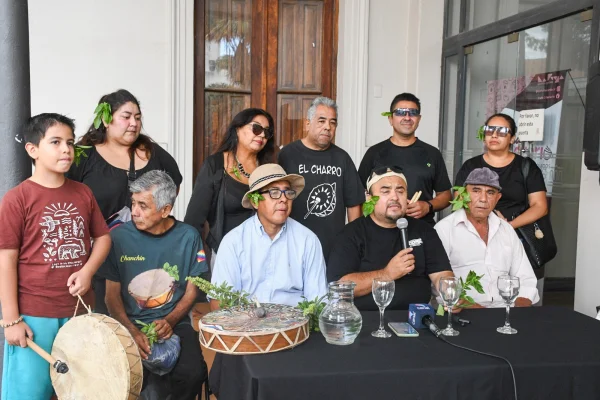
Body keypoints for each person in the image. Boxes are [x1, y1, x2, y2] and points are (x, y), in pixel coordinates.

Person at [0, 113, 111, 400]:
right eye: (56, 142)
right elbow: (6, 261)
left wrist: (87, 272)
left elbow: (103, 238)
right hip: (34, 315)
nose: (66, 149)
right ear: (32, 149)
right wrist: (11, 320)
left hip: (79, 312)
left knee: (80, 389)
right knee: (29, 392)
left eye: (70, 143)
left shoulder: (83, 193)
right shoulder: (17, 199)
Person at [68, 89, 182, 314]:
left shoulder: (152, 152)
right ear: (106, 119)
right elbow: (66, 195)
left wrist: (157, 215)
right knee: (104, 321)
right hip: (99, 256)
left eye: (137, 118)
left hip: (146, 253)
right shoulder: (83, 154)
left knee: (145, 311)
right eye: (126, 116)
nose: (133, 123)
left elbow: (174, 182)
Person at [99, 170, 208, 399]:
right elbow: (111, 296)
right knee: (139, 385)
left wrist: (169, 321)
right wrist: (131, 330)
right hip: (128, 323)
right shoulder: (118, 238)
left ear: (165, 210)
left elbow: (191, 292)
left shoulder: (188, 237)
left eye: (143, 206)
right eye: (133, 203)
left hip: (174, 322)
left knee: (194, 374)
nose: (135, 212)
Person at [327, 166, 454, 311]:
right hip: (367, 321)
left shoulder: (424, 231)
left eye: (400, 191)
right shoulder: (351, 233)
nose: (394, 197)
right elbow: (339, 287)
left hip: (417, 319)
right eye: (385, 191)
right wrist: (387, 274)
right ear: (369, 197)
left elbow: (441, 274)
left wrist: (449, 292)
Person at [454, 113, 548, 303]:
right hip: (477, 233)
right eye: (490, 130)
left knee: (518, 289)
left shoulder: (526, 167)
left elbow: (540, 206)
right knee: (478, 285)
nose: (494, 135)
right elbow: (459, 201)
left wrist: (507, 226)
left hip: (517, 234)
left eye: (502, 131)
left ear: (512, 138)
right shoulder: (470, 166)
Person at [210, 164, 327, 309]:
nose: (283, 199)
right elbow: (219, 302)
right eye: (274, 192)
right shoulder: (233, 242)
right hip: (246, 326)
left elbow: (318, 301)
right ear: (255, 201)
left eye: (287, 193)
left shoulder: (308, 240)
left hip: (295, 326)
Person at [184, 108, 276, 268]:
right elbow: (193, 220)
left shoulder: (268, 169)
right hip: (225, 257)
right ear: (237, 129)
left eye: (267, 132)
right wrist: (198, 262)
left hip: (264, 257)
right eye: (256, 128)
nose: (262, 135)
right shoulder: (216, 165)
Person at [435, 167, 540, 307]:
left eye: (490, 192)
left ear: (498, 198)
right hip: (464, 314)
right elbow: (440, 286)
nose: (483, 199)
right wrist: (473, 309)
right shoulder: (444, 230)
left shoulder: (506, 229)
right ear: (462, 194)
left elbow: (526, 279)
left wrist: (516, 313)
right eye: (476, 190)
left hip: (506, 313)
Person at [278, 97, 365, 257]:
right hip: (292, 245)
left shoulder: (342, 158)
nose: (327, 127)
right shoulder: (287, 155)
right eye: (322, 121)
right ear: (307, 124)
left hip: (332, 248)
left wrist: (354, 242)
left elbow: (353, 204)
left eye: (333, 123)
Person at [358, 93, 452, 225]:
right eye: (401, 112)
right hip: (381, 230)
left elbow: (446, 196)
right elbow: (358, 193)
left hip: (422, 228)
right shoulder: (374, 153)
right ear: (390, 119)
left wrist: (428, 206)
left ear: (419, 119)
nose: (407, 117)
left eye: (413, 113)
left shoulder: (432, 153)